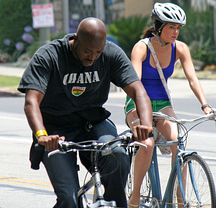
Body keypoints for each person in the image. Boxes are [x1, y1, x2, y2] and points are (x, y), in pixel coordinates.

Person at [18, 17, 153, 208]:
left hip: (93, 123)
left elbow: (138, 91)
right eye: (87, 51)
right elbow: (31, 101)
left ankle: (114, 203)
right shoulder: (49, 56)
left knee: (118, 154)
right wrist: (42, 136)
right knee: (69, 199)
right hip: (55, 130)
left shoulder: (110, 54)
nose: (92, 57)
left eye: (98, 52)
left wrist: (145, 124)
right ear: (75, 39)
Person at [124, 2, 215, 207]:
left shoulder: (180, 48)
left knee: (178, 143)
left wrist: (205, 105)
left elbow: (193, 79)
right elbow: (134, 81)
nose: (175, 32)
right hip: (138, 102)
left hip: (162, 102)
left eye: (178, 28)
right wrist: (141, 111)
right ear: (158, 26)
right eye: (171, 27)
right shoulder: (141, 47)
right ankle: (135, 197)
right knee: (146, 144)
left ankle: (180, 200)